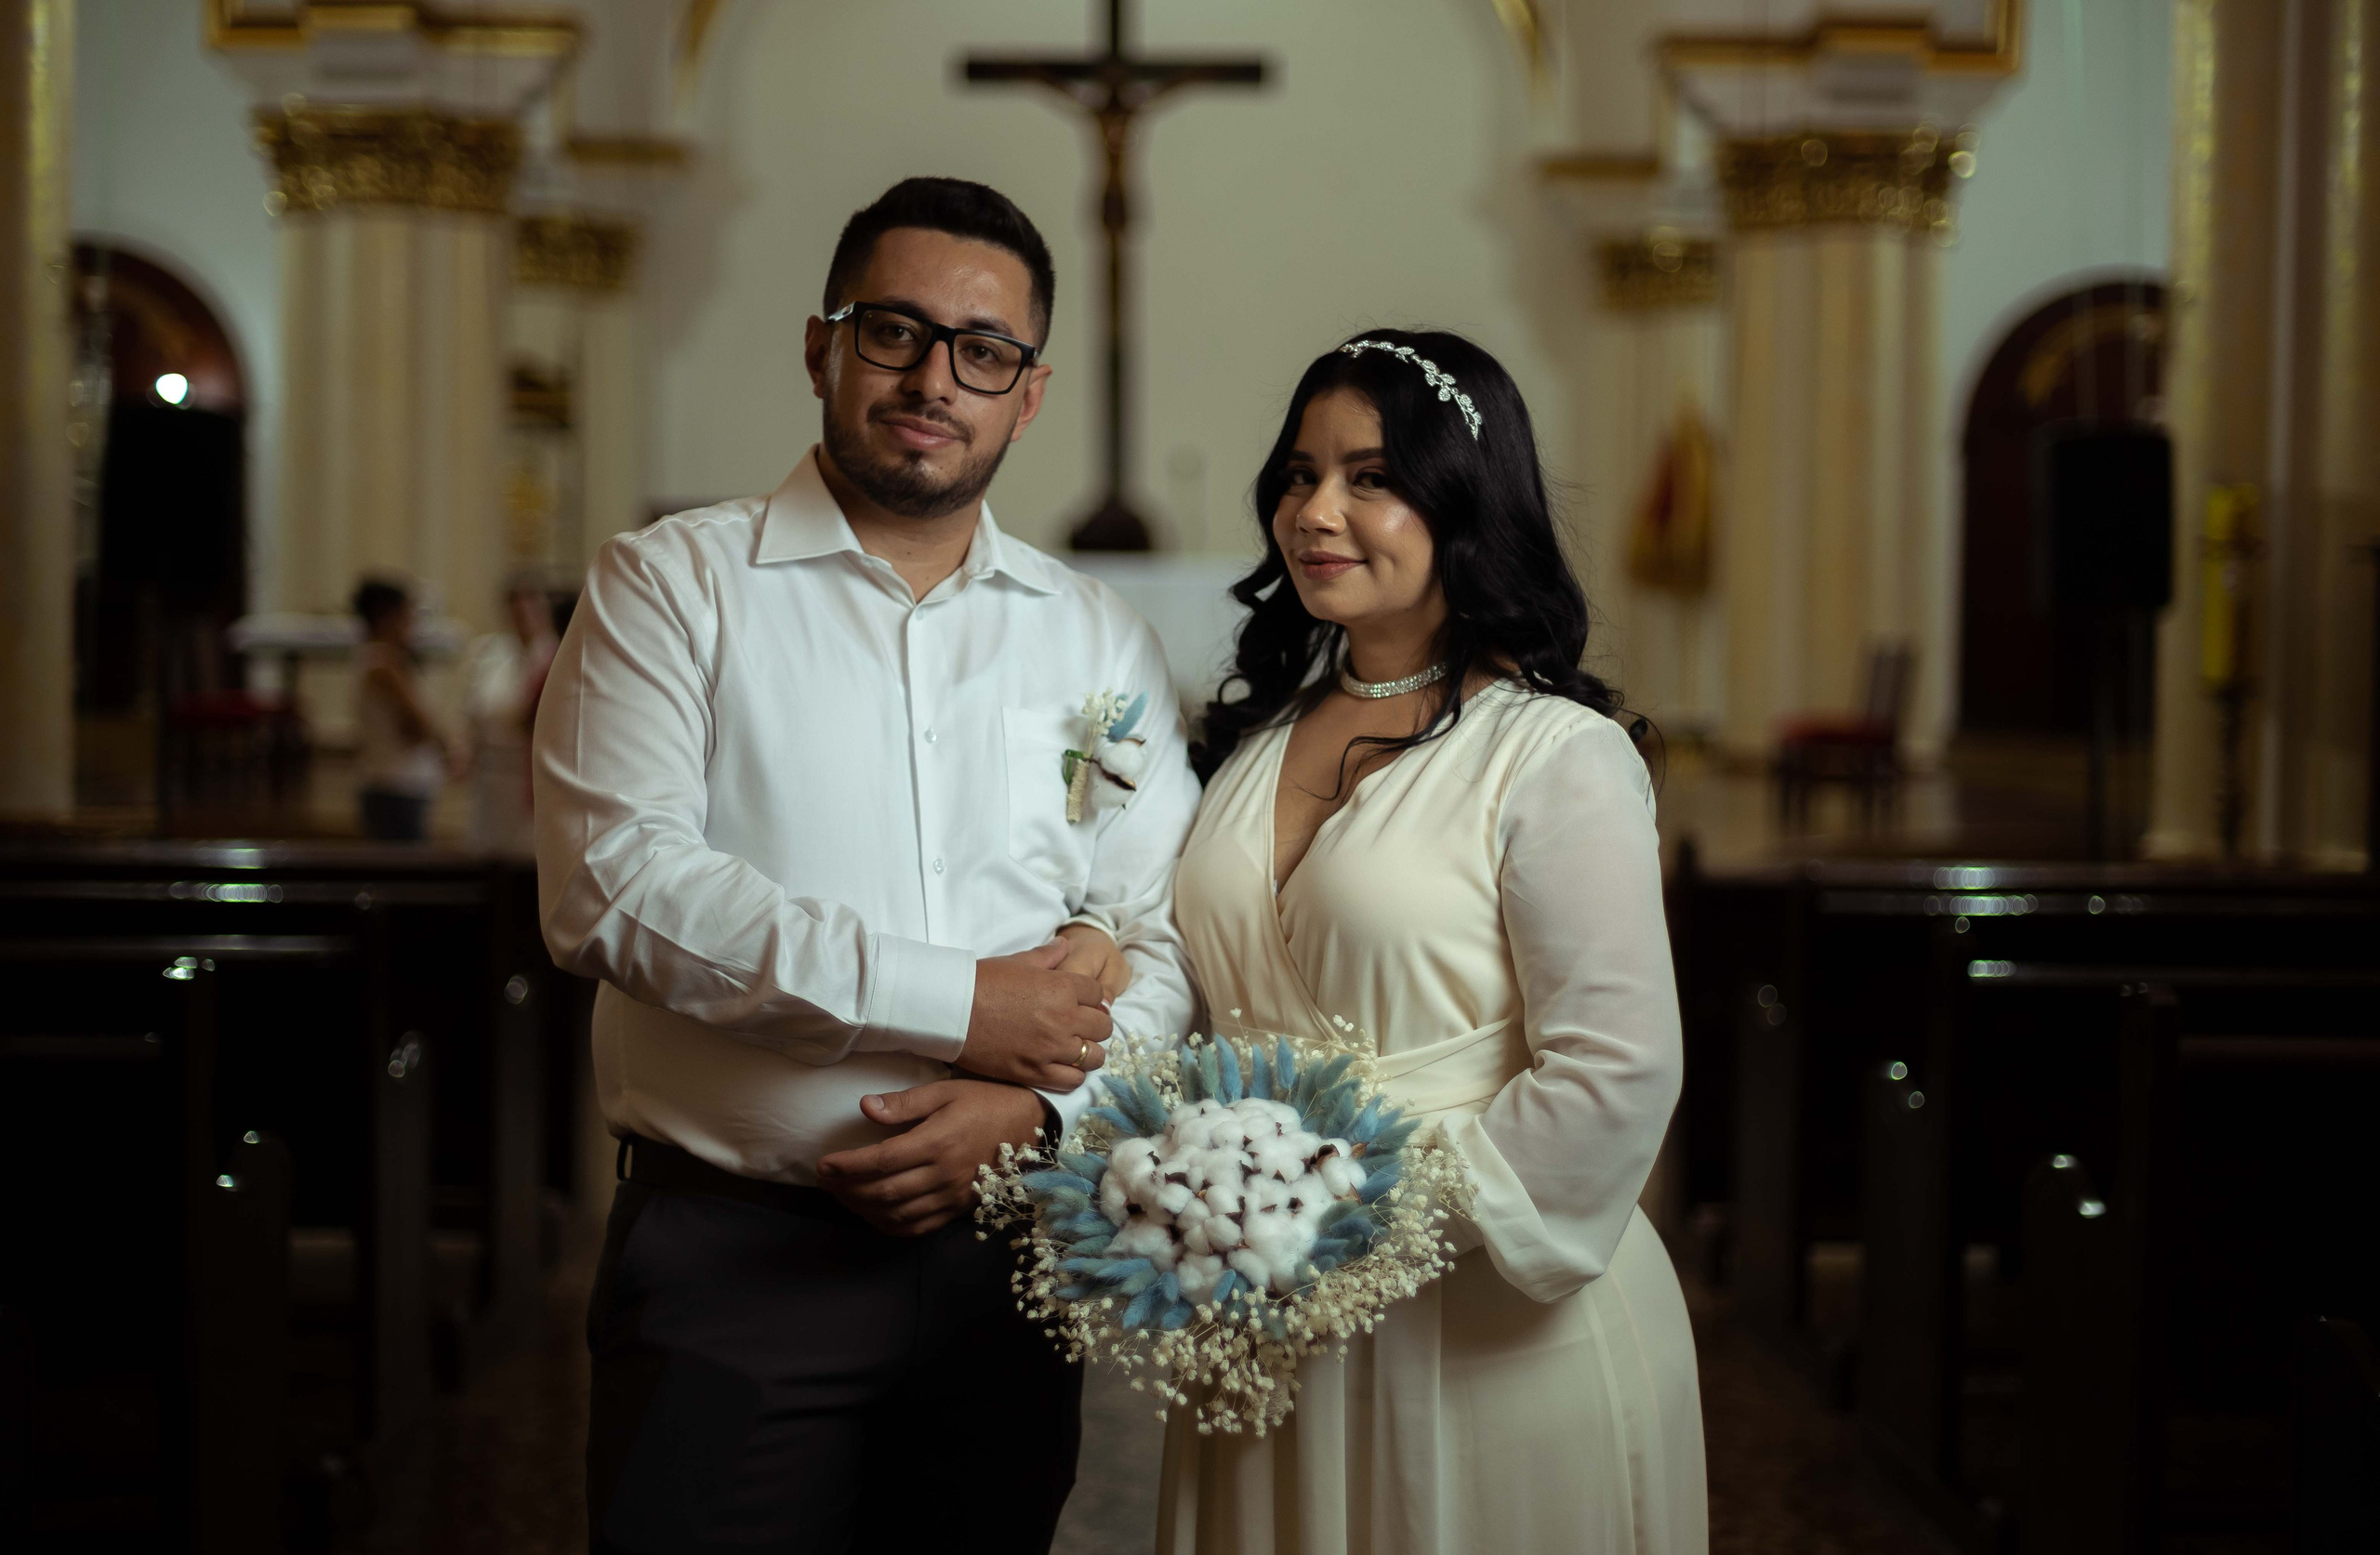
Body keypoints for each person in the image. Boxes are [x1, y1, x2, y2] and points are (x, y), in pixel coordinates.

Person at [532, 177, 1200, 1555]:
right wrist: (965, 1006)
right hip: (733, 1262)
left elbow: (1155, 926)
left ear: (1028, 390)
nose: (933, 377)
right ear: (822, 344)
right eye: (892, 331)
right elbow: (616, 887)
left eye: (983, 349)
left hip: (1005, 1262)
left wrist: (1036, 1122)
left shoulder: (1094, 652)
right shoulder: (675, 588)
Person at [1160, 331, 1708, 1553]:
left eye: (1371, 477)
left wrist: (1329, 1205)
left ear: (1464, 499)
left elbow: (1616, 1073)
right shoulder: (1254, 742)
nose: (1318, 511)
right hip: (1262, 1318)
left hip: (1489, 1335)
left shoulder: (1556, 757)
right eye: (1300, 475)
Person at [461, 576, 559, 854]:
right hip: (491, 771)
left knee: (526, 852)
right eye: (516, 611)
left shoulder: (554, 656)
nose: (523, 617)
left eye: (530, 608)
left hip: (528, 772)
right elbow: (474, 709)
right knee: (488, 849)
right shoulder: (492, 653)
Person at [352, 576, 452, 842]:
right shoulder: (383, 665)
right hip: (395, 785)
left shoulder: (386, 660)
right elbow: (420, 723)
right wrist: (450, 750)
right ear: (386, 617)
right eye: (406, 615)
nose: (411, 623)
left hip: (398, 784)